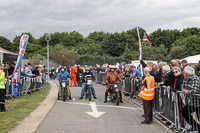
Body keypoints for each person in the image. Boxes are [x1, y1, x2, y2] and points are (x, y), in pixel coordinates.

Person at [181, 66, 200, 131]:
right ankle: (197, 126)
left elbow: (195, 90)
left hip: (198, 101)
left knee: (199, 117)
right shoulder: (185, 78)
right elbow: (182, 87)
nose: (183, 74)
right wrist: (185, 91)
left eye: (184, 73)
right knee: (184, 111)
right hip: (192, 101)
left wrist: (187, 91)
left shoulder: (195, 78)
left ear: (187, 74)